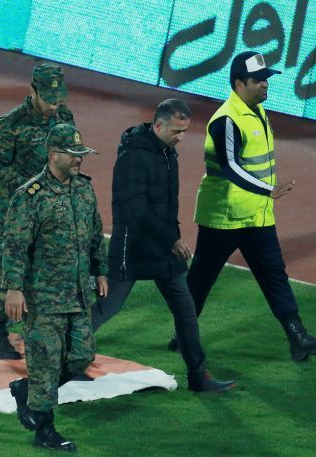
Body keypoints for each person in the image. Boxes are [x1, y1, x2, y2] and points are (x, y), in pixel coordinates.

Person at [169, 51, 316, 362]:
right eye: (257, 80)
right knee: (202, 278)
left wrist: (263, 197)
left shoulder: (256, 112)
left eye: (265, 79)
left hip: (256, 215)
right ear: (239, 84)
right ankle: (182, 335)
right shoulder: (226, 120)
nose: (264, 84)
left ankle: (298, 338)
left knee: (274, 274)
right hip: (224, 217)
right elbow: (230, 167)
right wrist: (267, 190)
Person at [91, 99, 235, 393]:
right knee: (108, 307)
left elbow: (164, 206)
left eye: (184, 131)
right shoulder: (133, 157)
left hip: (162, 248)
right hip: (133, 248)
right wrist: (172, 239)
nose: (181, 137)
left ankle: (198, 376)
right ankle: (62, 354)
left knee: (186, 310)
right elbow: (135, 211)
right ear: (158, 125)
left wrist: (170, 238)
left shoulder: (167, 152)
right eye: (176, 131)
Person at [2, 124, 107, 452]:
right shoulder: (30, 196)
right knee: (45, 361)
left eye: (81, 154)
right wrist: (13, 288)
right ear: (53, 155)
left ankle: (27, 390)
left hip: (77, 292)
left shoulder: (83, 189)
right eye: (72, 155)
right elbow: (15, 245)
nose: (79, 160)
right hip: (44, 297)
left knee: (82, 355)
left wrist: (100, 271)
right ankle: (45, 430)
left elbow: (95, 233)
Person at [0, 63, 75, 359]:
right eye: (48, 99)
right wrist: (30, 187)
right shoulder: (7, 126)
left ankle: (46, 333)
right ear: (33, 91)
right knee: (8, 274)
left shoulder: (64, 118)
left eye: (57, 99)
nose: (53, 106)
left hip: (52, 211)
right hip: (13, 213)